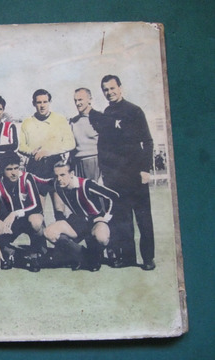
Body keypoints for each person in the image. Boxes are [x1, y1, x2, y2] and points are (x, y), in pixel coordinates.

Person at [89, 74, 155, 270]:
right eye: (106, 90)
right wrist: (106, 173)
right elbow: (104, 147)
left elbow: (148, 141)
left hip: (136, 174)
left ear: (120, 87)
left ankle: (148, 258)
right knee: (122, 220)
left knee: (143, 218)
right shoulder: (107, 113)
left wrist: (145, 169)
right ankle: (127, 258)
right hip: (116, 177)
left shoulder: (134, 111)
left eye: (112, 88)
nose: (109, 92)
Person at [43, 161, 119, 271]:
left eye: (62, 175)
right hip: (78, 221)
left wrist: (106, 217)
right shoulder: (57, 184)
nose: (59, 179)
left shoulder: (86, 184)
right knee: (49, 232)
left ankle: (102, 251)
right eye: (56, 176)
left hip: (96, 221)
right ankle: (86, 256)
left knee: (102, 237)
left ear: (72, 174)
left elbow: (114, 196)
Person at [0, 153, 45, 272]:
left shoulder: (27, 178)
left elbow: (37, 206)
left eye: (16, 168)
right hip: (9, 224)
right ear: (2, 171)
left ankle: (35, 252)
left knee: (36, 221)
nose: (14, 172)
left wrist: (15, 213)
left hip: (27, 219)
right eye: (9, 169)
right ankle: (9, 252)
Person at [19, 89, 76, 208]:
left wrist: (49, 151)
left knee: (59, 209)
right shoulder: (27, 122)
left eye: (45, 102)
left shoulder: (60, 119)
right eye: (39, 102)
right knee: (37, 209)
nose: (42, 105)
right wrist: (30, 152)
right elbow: (20, 145)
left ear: (50, 102)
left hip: (56, 166)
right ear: (34, 103)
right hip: (36, 167)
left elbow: (70, 143)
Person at [69, 88, 100, 181]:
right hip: (77, 164)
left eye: (80, 100)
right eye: (75, 100)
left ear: (89, 99)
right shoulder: (73, 121)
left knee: (97, 194)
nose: (77, 103)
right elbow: (72, 148)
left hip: (96, 163)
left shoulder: (99, 118)